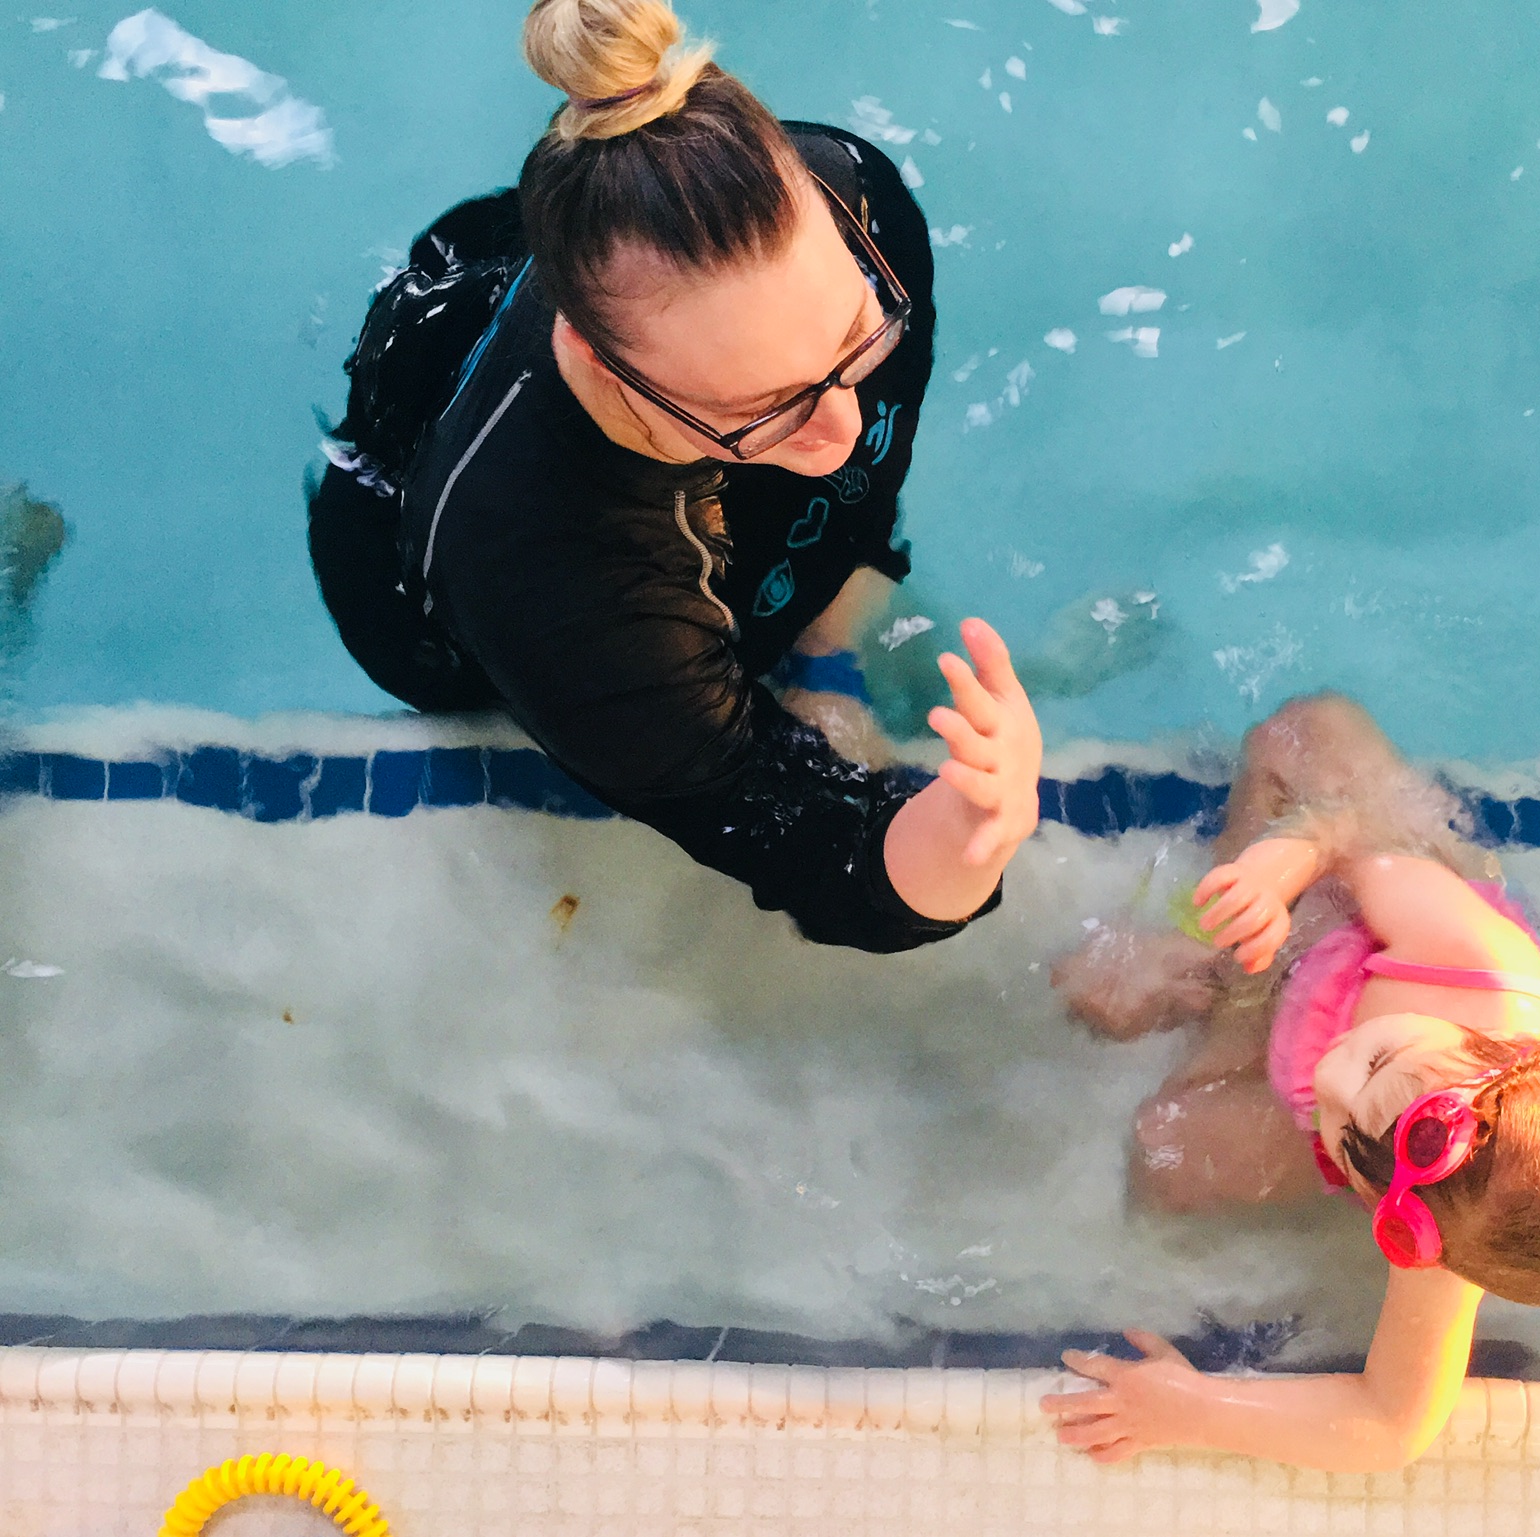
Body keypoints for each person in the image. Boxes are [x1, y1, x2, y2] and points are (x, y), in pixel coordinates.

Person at [307, 0, 1039, 953]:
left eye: (856, 337)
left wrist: (824, 516)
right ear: (605, 371)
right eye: (766, 404)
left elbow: (835, 423)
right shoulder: (550, 585)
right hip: (454, 611)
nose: (845, 424)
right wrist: (969, 841)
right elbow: (813, 850)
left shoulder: (857, 202)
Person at [1040, 694, 1540, 1470]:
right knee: (1308, 732)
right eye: (1375, 1064)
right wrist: (1281, 870)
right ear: (1492, 1055)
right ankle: (1213, 938)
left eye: (1342, 1134)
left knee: (1162, 1147)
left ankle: (1226, 985)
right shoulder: (1480, 967)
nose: (1333, 1080)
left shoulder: (1456, 1221)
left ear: (1409, 1230)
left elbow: (1390, 1425)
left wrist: (1193, 1409)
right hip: (1366, 938)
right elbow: (1350, 831)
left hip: (1328, 1046)